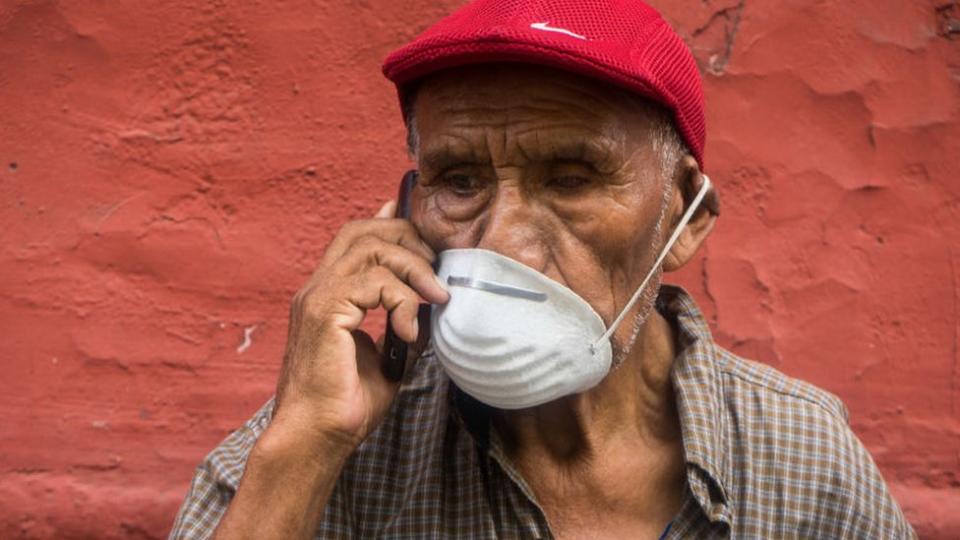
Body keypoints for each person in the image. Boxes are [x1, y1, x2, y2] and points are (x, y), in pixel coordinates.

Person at [169, 1, 915, 538]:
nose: (504, 244)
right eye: (459, 182)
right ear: (407, 211)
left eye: (571, 179)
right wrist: (303, 446)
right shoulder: (338, 440)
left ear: (686, 219)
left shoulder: (799, 456)